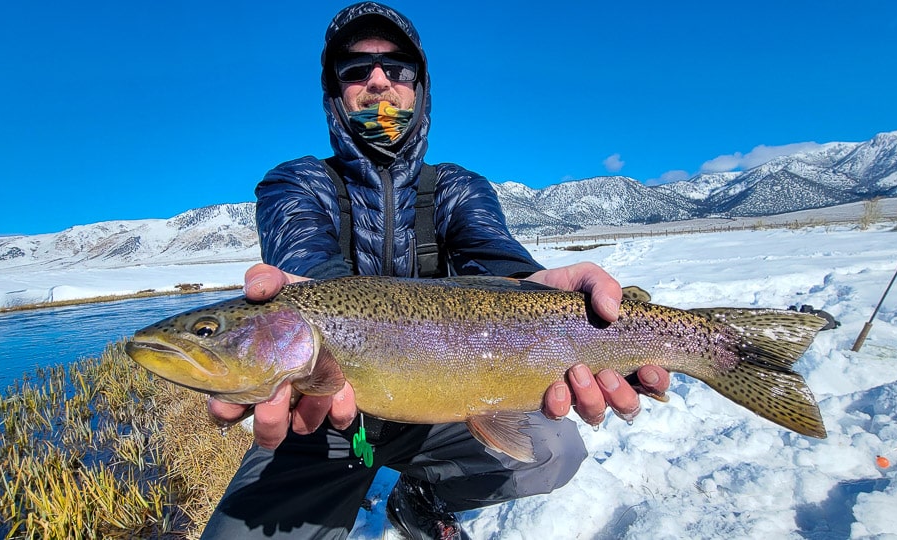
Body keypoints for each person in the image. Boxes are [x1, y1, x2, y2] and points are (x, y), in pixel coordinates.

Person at [202, 3, 670, 539]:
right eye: (356, 70)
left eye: (397, 68)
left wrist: (558, 307)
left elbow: (497, 262)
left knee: (554, 452)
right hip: (321, 417)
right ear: (335, 92)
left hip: (446, 406)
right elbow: (308, 268)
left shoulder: (456, 188)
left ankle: (419, 493)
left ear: (421, 87)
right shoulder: (296, 185)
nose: (378, 82)